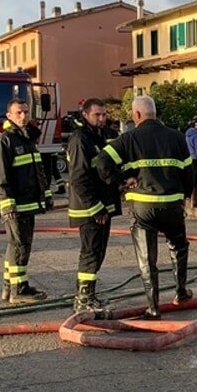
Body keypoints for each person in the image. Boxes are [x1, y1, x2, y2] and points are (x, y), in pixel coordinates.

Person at [97, 95, 197, 319]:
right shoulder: (177, 137)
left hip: (143, 207)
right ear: (155, 113)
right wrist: (186, 197)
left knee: (146, 258)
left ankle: (153, 308)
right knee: (178, 246)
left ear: (137, 115)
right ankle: (181, 292)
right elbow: (189, 172)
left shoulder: (128, 139)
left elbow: (102, 161)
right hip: (172, 204)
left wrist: (121, 180)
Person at [0, 98, 54, 304]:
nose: (24, 116)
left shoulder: (27, 140)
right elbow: (0, 177)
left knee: (16, 245)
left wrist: (45, 193)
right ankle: (19, 290)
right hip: (16, 206)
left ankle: (9, 288)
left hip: (29, 204)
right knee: (20, 246)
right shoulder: (5, 141)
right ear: (9, 116)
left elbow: (37, 171)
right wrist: (7, 203)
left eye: (26, 112)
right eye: (19, 112)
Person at [66, 98, 121, 313]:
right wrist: (96, 207)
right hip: (90, 209)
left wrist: (121, 181)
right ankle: (83, 299)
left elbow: (102, 170)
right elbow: (79, 178)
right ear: (85, 115)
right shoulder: (80, 140)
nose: (102, 118)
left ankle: (88, 296)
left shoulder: (96, 138)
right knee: (90, 253)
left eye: (104, 114)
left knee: (97, 252)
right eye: (97, 115)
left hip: (100, 207)